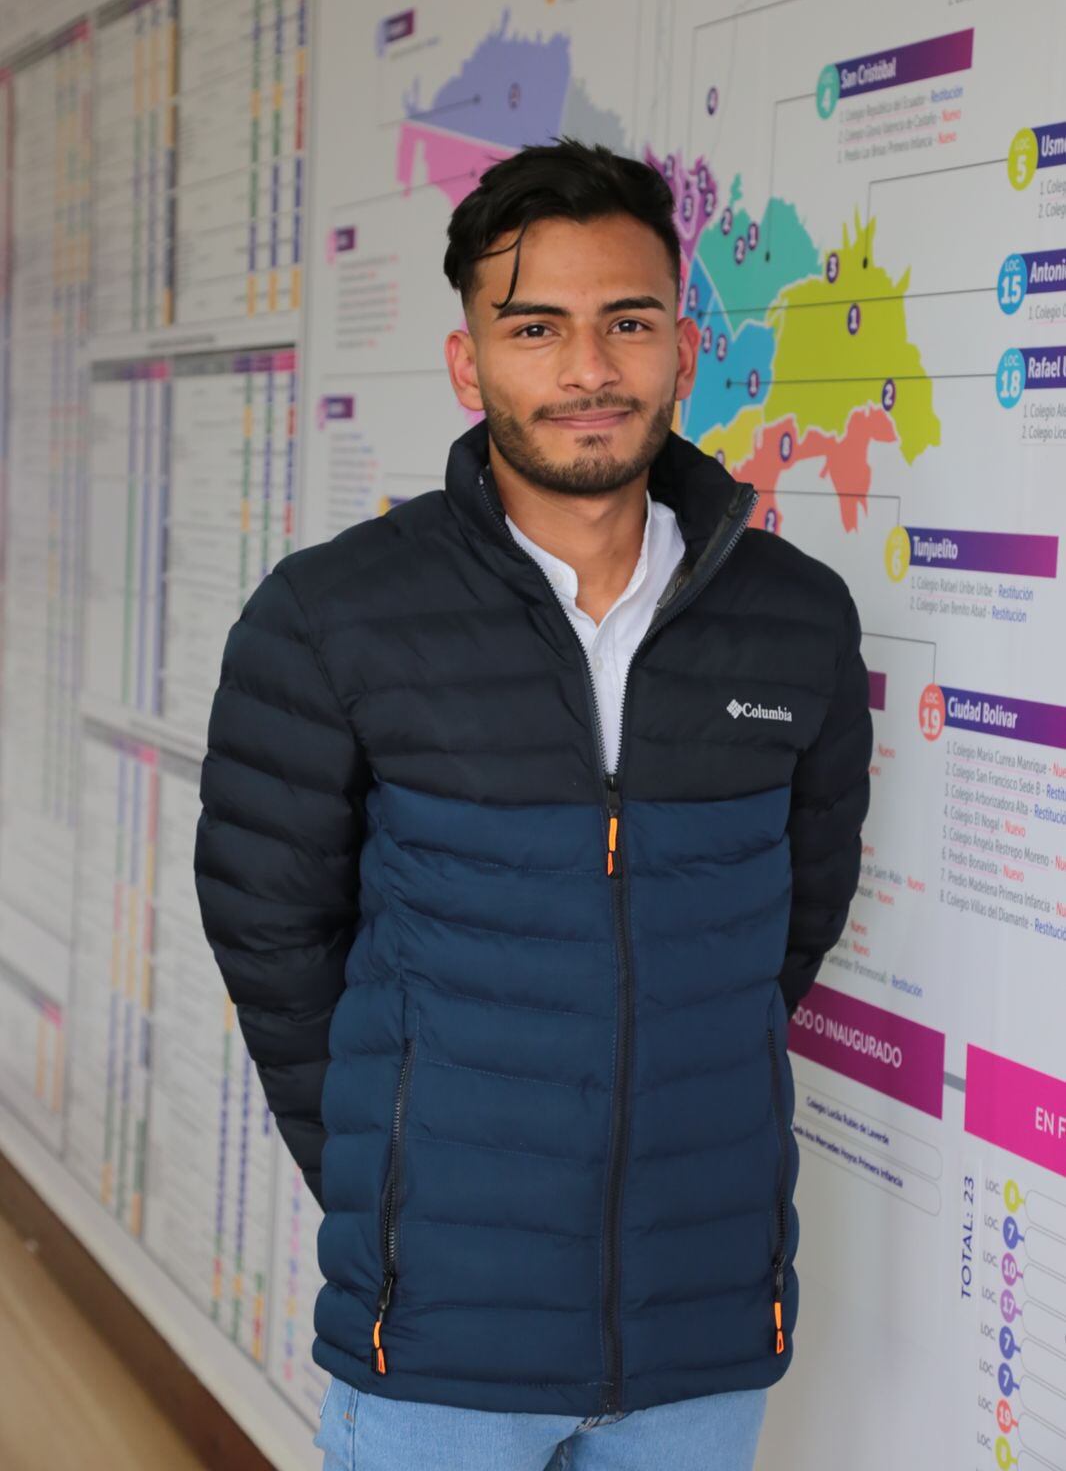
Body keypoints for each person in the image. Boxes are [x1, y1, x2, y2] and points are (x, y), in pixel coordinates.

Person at [194, 137, 873, 1471]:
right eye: (535, 327)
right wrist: (399, 1182)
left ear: (680, 345)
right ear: (468, 364)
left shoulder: (794, 620)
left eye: (625, 323)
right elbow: (273, 945)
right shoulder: (334, 617)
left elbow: (789, 925)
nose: (587, 370)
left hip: (701, 1326)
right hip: (437, 1336)